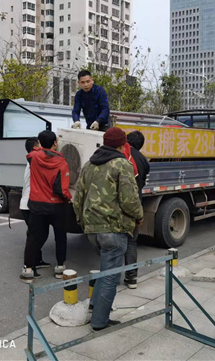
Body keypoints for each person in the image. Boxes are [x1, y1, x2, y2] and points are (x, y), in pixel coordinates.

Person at [73, 127, 143, 331]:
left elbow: (78, 198)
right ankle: (100, 321)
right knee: (111, 276)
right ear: (123, 145)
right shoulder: (122, 164)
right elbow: (129, 199)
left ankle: (94, 306)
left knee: (106, 268)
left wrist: (83, 222)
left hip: (92, 228)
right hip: (113, 227)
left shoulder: (89, 164)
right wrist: (139, 216)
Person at [20, 130, 72, 283]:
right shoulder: (62, 162)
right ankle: (60, 268)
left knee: (33, 237)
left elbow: (33, 151)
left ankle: (28, 271)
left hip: (36, 204)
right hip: (56, 206)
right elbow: (62, 189)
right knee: (60, 237)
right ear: (55, 142)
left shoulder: (34, 157)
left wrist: (41, 147)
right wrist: (68, 198)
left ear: (40, 143)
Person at [122, 131, 150, 289]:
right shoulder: (144, 160)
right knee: (131, 242)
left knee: (115, 243)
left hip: (117, 207)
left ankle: (109, 279)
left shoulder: (119, 155)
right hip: (135, 205)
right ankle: (131, 278)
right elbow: (142, 184)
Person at [19, 137, 50, 270]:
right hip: (29, 205)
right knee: (37, 236)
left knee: (38, 234)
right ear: (34, 149)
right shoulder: (34, 162)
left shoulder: (32, 161)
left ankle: (36, 260)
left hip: (27, 204)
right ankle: (29, 266)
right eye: (39, 145)